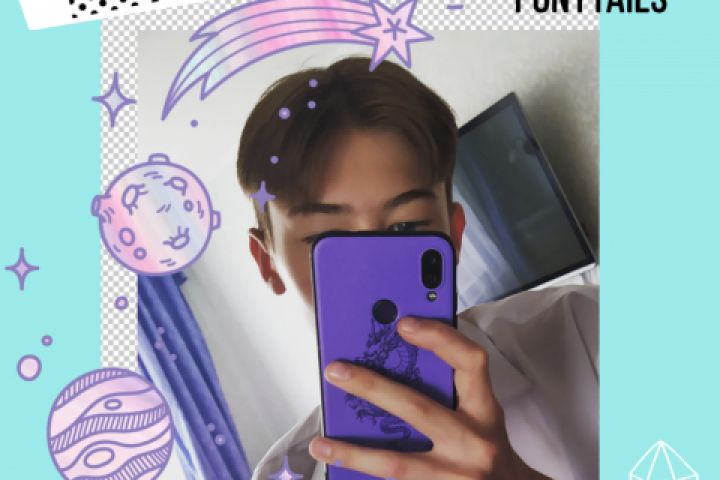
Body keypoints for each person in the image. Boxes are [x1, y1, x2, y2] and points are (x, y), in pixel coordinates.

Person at [236, 56, 598, 480]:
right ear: (268, 264)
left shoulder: (592, 332)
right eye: (328, 240)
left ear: (454, 235)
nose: (373, 272)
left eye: (406, 227)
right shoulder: (285, 472)